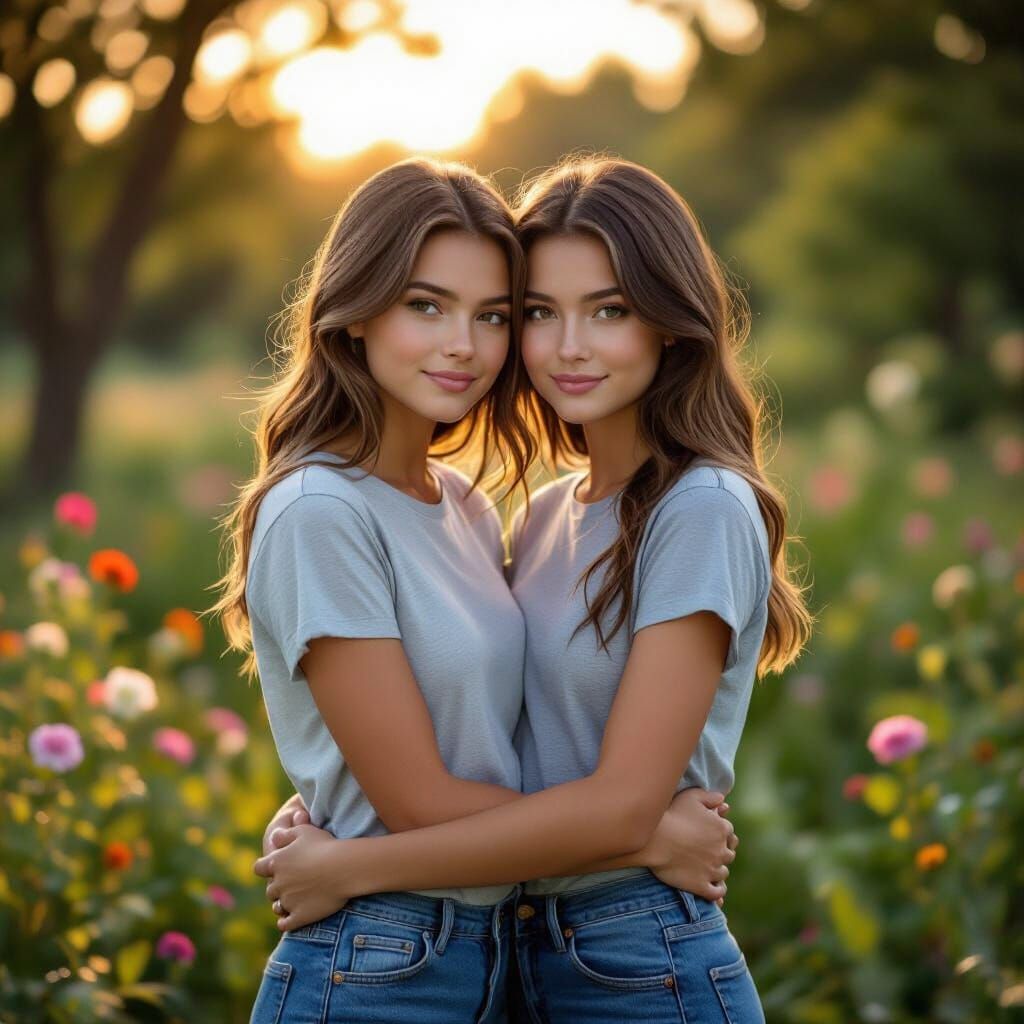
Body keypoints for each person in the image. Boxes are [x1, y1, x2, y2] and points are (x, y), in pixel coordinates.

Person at [255, 156, 812, 1022]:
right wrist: (326, 800)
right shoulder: (522, 515)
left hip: (624, 951)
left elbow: (601, 793)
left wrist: (349, 859)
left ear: (672, 324)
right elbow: (437, 776)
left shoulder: (693, 508)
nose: (569, 346)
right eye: (542, 314)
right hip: (479, 950)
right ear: (356, 312)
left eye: (611, 311)